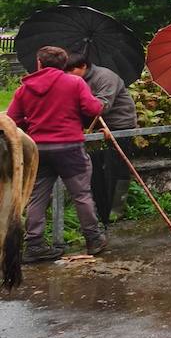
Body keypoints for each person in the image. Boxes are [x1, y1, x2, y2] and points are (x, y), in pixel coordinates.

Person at [7, 46, 107, 262]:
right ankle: (93, 239)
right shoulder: (75, 83)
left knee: (37, 196)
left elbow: (13, 120)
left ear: (39, 63)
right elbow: (93, 109)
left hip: (38, 150)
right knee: (81, 194)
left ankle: (34, 244)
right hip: (69, 148)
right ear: (64, 64)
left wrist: (30, 122)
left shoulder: (24, 89)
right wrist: (97, 103)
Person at [66, 52, 138, 223]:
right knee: (95, 169)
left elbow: (102, 106)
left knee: (118, 168)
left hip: (118, 125)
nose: (67, 74)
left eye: (71, 70)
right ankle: (100, 209)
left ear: (84, 66)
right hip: (96, 128)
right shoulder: (76, 80)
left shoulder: (105, 77)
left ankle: (116, 210)